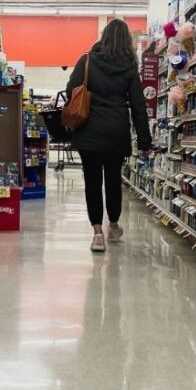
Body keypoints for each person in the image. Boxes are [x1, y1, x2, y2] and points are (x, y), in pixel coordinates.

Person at [65, 18, 153, 252]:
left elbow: (70, 90)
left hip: (89, 132)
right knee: (113, 181)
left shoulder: (87, 60)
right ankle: (113, 224)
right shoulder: (129, 68)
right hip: (116, 131)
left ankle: (97, 234)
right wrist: (145, 140)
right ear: (126, 41)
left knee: (92, 183)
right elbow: (138, 106)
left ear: (103, 36)